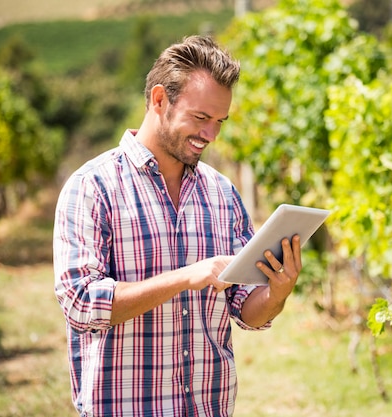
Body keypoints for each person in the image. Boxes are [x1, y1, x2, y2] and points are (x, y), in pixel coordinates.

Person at [53, 35, 303, 417]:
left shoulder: (223, 195)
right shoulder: (92, 187)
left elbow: (244, 309)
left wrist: (276, 294)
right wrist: (187, 276)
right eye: (201, 118)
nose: (212, 134)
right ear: (158, 100)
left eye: (220, 121)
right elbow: (82, 305)